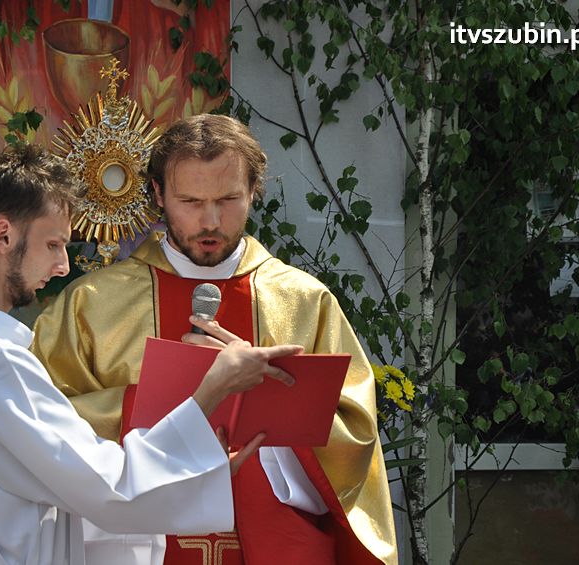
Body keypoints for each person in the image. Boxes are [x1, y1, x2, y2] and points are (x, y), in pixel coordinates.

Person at [0, 144, 302, 565]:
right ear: (3, 236)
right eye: (53, 244)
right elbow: (112, 489)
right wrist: (213, 388)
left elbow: (39, 501)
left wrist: (200, 471)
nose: (62, 266)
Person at [31, 114, 398, 565]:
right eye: (190, 201)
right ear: (158, 194)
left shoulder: (304, 302)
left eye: (228, 199)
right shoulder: (92, 304)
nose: (210, 220)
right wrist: (188, 399)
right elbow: (44, 426)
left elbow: (355, 438)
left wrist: (258, 404)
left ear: (253, 192)